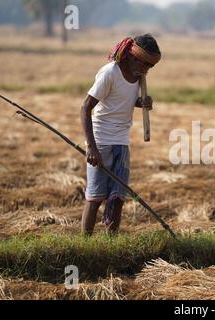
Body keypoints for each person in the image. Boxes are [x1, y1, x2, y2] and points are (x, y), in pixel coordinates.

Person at [80, 34, 161, 235]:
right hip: (101, 140)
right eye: (144, 65)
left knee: (117, 198)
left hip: (121, 141)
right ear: (132, 57)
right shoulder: (110, 73)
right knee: (95, 197)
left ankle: (111, 243)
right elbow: (85, 108)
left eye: (150, 67)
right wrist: (91, 147)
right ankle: (84, 246)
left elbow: (122, 100)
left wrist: (141, 103)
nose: (146, 71)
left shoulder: (138, 78)